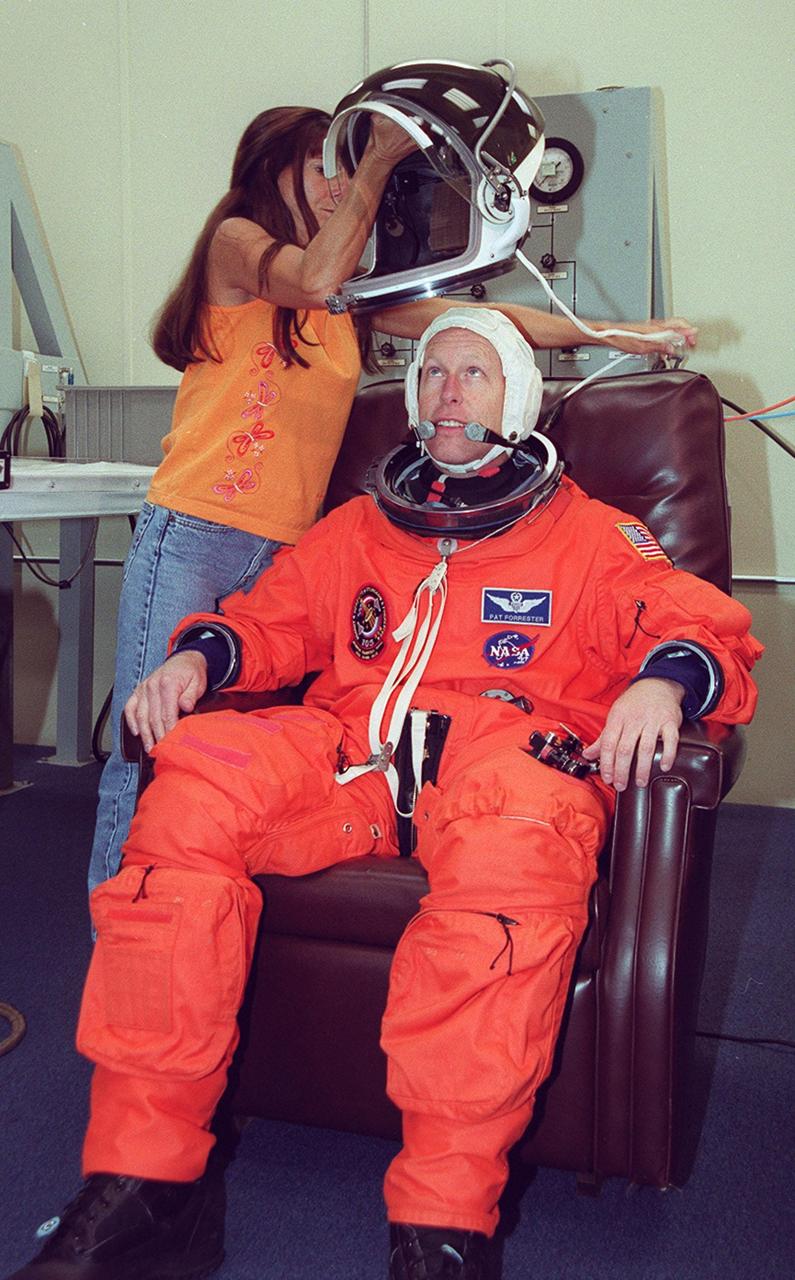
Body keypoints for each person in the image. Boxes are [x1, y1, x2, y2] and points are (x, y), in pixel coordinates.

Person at [11, 308, 757, 1280]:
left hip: (501, 764)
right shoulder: (361, 527)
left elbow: (699, 621)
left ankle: (441, 1229)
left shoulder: (588, 534)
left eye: (476, 373)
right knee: (192, 788)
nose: (450, 388)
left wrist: (664, 678)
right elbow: (269, 618)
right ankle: (149, 1189)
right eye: (436, 371)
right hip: (351, 757)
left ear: (518, 400)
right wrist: (200, 658)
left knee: (522, 835)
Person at [87, 105, 699, 894]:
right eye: (318, 167)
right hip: (200, 527)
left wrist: (617, 336)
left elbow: (477, 324)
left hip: (284, 541)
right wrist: (376, 165)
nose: (335, 184)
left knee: (232, 739)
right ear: (268, 171)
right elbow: (311, 275)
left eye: (342, 167)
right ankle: (116, 916)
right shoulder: (238, 241)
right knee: (150, 735)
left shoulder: (340, 296)